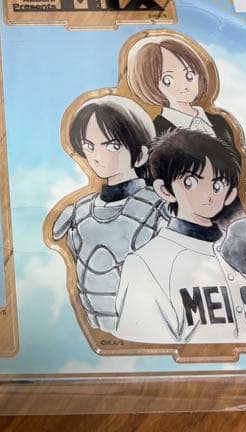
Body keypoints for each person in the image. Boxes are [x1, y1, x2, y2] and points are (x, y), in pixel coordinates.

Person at [115, 131, 246, 344]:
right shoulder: (146, 263)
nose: (207, 195)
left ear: (230, 194)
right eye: (190, 182)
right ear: (165, 190)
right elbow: (146, 349)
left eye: (217, 185)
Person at [50, 95, 165, 332]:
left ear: (141, 154)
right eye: (89, 146)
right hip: (91, 325)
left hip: (148, 327)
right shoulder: (79, 211)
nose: (97, 156)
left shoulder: (159, 207)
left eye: (112, 146)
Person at [125, 34, 237, 146]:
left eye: (189, 75)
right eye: (168, 80)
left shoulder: (219, 122)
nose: (183, 86)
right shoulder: (155, 133)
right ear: (151, 84)